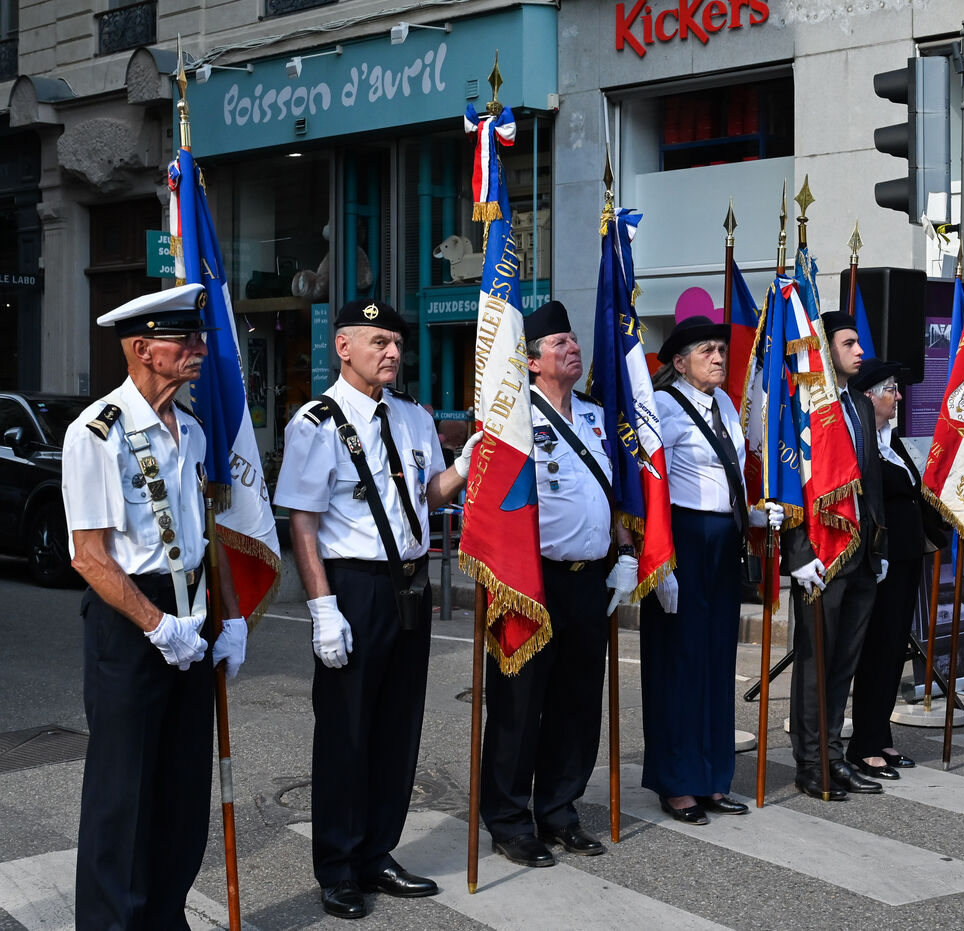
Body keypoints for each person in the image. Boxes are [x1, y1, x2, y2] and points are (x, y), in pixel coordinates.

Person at [275, 299, 471, 919]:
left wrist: (466, 465)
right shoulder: (316, 422)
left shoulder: (412, 416)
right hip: (354, 587)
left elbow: (428, 495)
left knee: (396, 727)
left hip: (410, 583)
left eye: (397, 343)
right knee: (346, 731)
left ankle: (377, 852)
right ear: (344, 347)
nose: (392, 352)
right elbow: (304, 523)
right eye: (379, 341)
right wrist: (322, 608)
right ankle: (337, 866)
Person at [62, 283, 246, 929]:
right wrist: (157, 625)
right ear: (143, 349)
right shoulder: (97, 433)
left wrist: (230, 617)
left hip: (190, 609)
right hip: (132, 618)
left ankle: (166, 916)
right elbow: (88, 556)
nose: (200, 348)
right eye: (185, 339)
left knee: (182, 787)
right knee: (124, 793)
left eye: (199, 337)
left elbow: (207, 535)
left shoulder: (190, 429)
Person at [480, 300, 638, 867]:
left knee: (577, 702)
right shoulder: (514, 419)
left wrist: (625, 551)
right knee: (519, 705)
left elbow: (612, 492)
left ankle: (559, 810)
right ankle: (508, 819)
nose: (573, 348)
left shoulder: (595, 415)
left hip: (588, 580)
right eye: (559, 343)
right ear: (530, 360)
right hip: (530, 581)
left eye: (573, 340)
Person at [642, 316, 783, 824]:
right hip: (682, 538)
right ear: (680, 363)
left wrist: (754, 515)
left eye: (721, 349)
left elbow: (730, 473)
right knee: (679, 663)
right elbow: (649, 483)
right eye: (707, 350)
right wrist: (657, 560)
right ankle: (677, 781)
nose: (719, 357)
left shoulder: (724, 402)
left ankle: (714, 777)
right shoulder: (661, 406)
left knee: (717, 659)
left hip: (724, 538)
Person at [782, 312, 887, 801]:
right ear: (824, 350)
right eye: (849, 343)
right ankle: (810, 763)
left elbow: (871, 482)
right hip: (821, 557)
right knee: (815, 665)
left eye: (858, 342)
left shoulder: (860, 405)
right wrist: (798, 552)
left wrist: (879, 545)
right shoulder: (804, 406)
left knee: (844, 664)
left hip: (861, 553)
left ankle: (833, 754)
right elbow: (793, 487)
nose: (860, 351)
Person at [845, 358, 947, 780]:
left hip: (906, 559)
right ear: (869, 397)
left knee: (893, 651)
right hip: (880, 560)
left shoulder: (893, 441)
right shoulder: (860, 441)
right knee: (876, 650)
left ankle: (881, 735)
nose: (899, 396)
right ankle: (864, 744)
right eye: (891, 389)